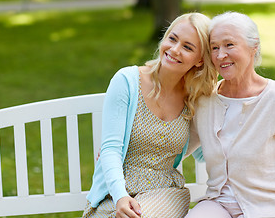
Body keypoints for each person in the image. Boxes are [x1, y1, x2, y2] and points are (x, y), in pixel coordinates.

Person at [82, 12, 217, 218]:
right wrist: (120, 197)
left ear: (200, 60)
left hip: (165, 193)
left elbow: (207, 150)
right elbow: (111, 149)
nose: (174, 50)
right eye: (172, 39)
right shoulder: (127, 80)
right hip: (114, 193)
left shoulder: (196, 98)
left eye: (187, 47)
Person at [185, 11, 275, 218]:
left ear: (253, 46)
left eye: (229, 45)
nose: (221, 55)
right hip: (218, 205)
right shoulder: (205, 101)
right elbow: (179, 147)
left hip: (269, 209)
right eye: (214, 47)